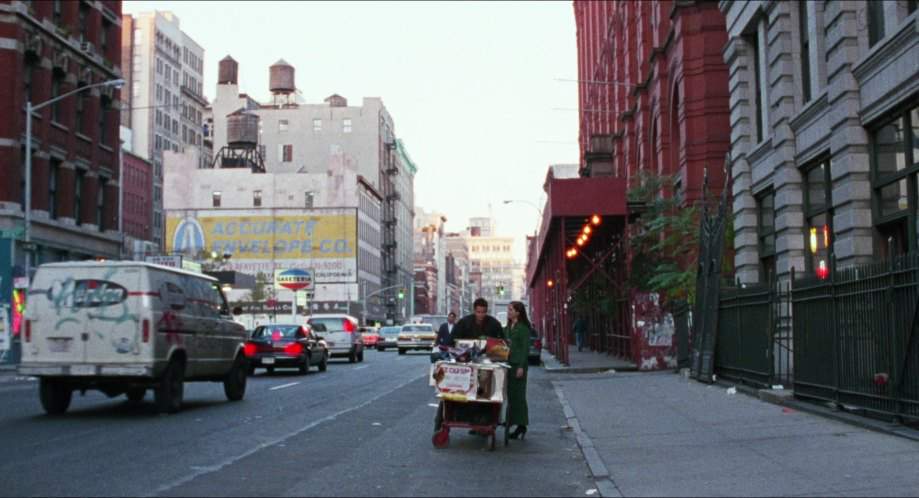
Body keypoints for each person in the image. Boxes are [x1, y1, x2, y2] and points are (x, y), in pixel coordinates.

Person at [505, 301, 531, 440]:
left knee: (519, 396)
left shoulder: (523, 329)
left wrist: (521, 366)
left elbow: (525, 349)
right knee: (511, 395)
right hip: (509, 364)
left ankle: (522, 425)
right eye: (508, 309)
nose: (508, 312)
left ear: (518, 312)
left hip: (518, 366)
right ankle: (511, 421)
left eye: (510, 310)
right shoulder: (509, 327)